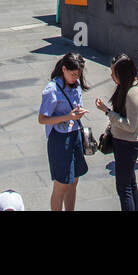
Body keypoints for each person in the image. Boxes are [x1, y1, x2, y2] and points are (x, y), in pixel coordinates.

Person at [94, 53, 138, 211]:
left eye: (114, 73)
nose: (111, 76)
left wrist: (107, 112)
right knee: (130, 183)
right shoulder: (134, 87)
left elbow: (131, 125)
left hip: (127, 144)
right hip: (126, 142)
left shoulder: (132, 93)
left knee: (123, 188)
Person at [38, 52, 89, 211]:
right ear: (64, 69)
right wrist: (67, 116)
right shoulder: (51, 90)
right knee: (61, 185)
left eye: (78, 74)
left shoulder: (77, 84)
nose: (76, 77)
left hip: (75, 135)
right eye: (73, 74)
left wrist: (78, 113)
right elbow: (42, 119)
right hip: (60, 140)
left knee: (74, 180)